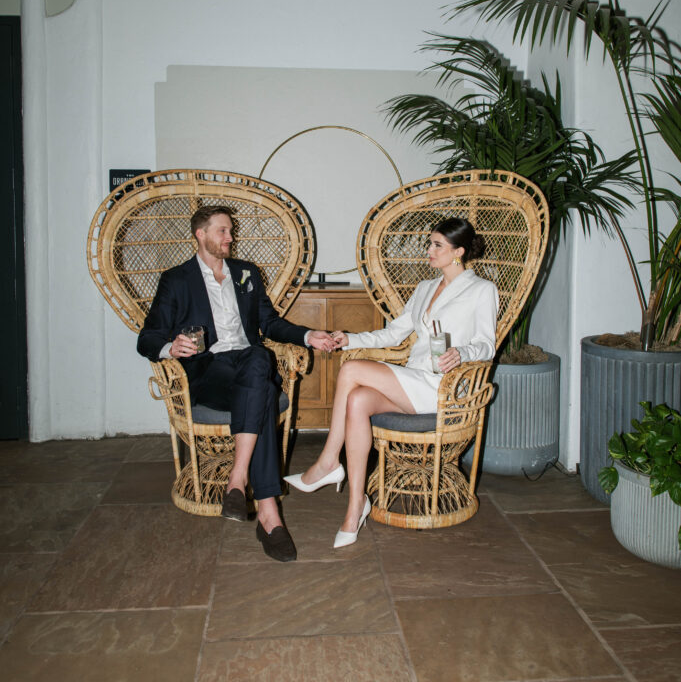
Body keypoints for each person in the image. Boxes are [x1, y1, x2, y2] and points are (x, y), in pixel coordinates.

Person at [137, 205, 337, 562]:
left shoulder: (246, 273)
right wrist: (171, 347)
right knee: (260, 381)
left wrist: (308, 336)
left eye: (231, 232)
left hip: (249, 366)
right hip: (207, 371)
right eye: (223, 231)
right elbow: (146, 337)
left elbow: (269, 323)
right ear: (200, 234)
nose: (230, 238)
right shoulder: (177, 279)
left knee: (258, 360)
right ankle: (264, 506)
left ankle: (245, 489)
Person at [285, 217, 499, 549]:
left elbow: (487, 344)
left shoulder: (482, 290)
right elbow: (394, 333)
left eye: (437, 245)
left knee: (352, 371)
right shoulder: (426, 288)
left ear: (458, 252)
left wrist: (461, 352)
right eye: (430, 243)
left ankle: (328, 462)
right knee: (357, 401)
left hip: (442, 387)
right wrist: (350, 338)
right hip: (414, 377)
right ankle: (356, 504)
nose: (429, 250)